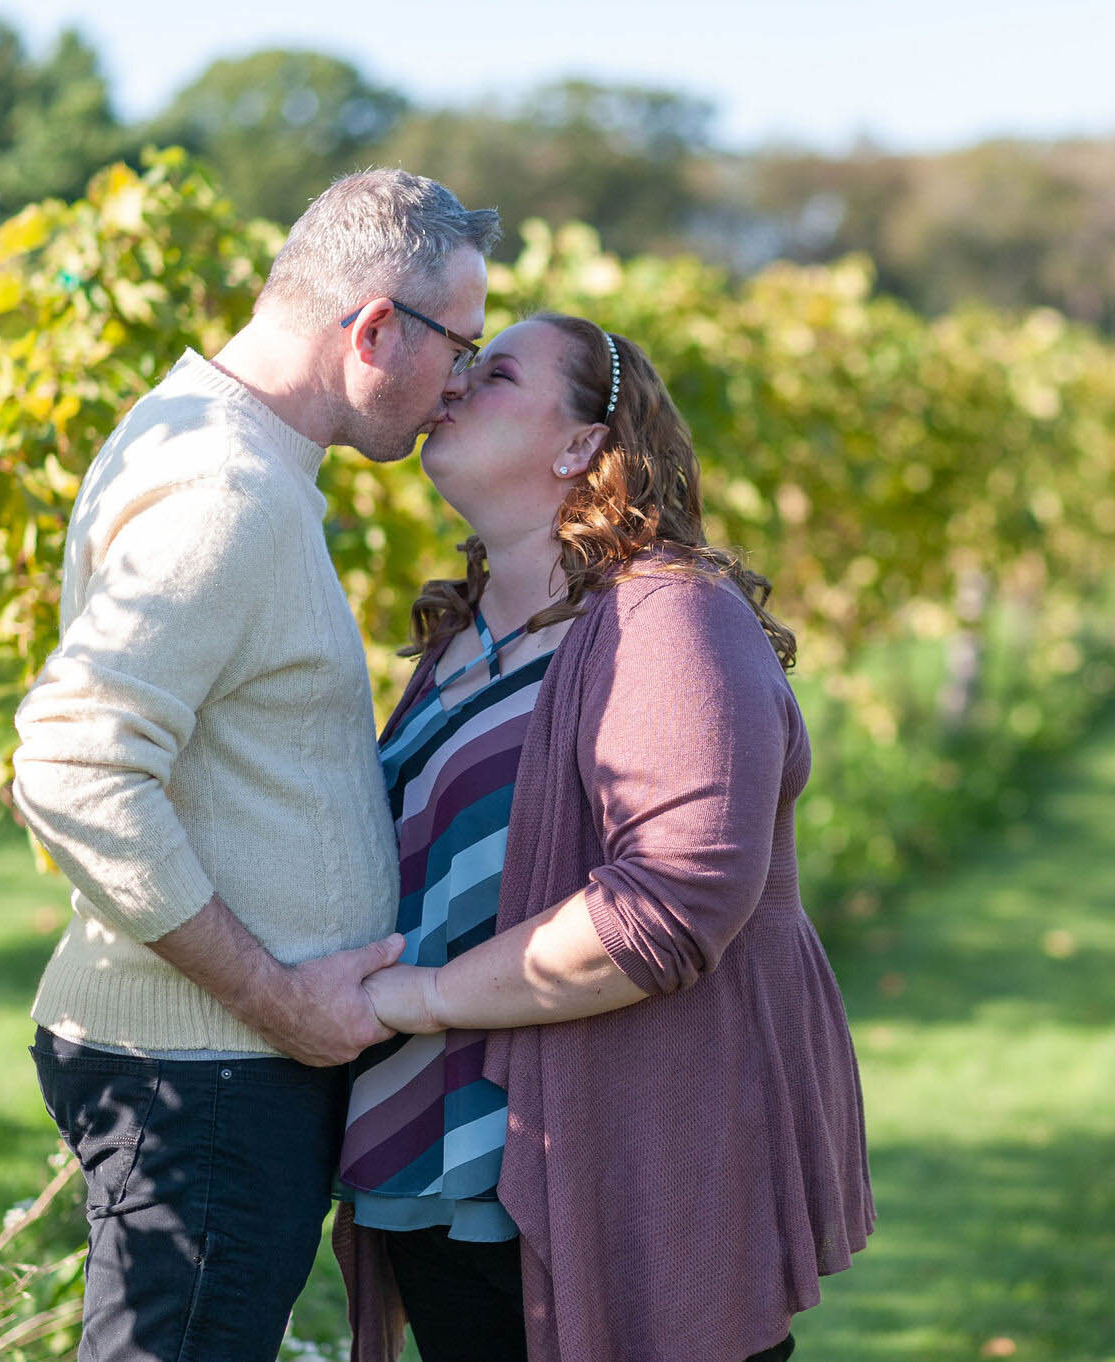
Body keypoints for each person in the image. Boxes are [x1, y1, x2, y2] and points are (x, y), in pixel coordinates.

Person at [11, 168, 499, 1362]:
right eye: (459, 349)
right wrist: (278, 1000)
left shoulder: (228, 447)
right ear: (376, 327)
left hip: (212, 1069)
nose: (460, 389)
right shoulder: (228, 491)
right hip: (209, 1076)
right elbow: (72, 762)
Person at [330, 313, 873, 1362]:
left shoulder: (666, 619)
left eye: (493, 373)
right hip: (441, 1170)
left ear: (581, 444)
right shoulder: (461, 640)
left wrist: (415, 1001)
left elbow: (675, 902)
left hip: (616, 1167)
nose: (451, 385)